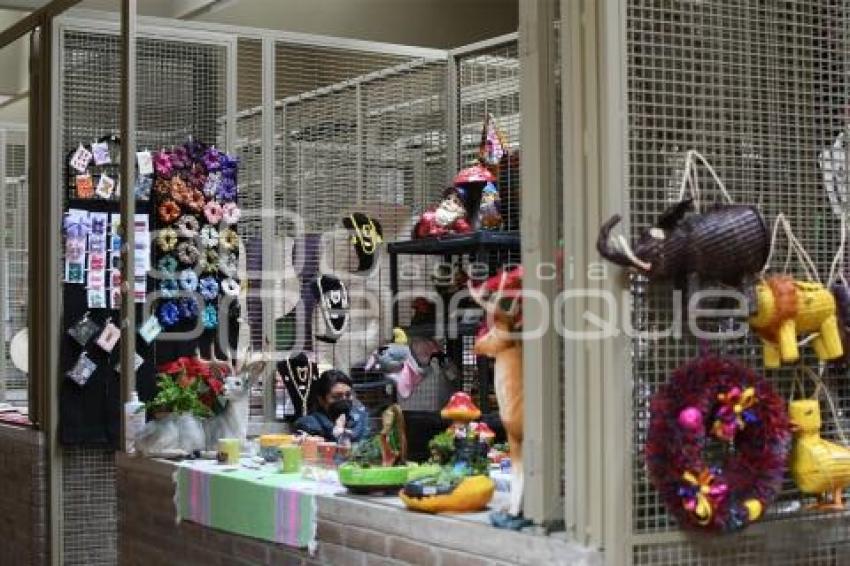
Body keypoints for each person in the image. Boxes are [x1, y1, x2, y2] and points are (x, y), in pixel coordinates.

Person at [294, 369, 369, 443]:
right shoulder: (308, 425)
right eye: (337, 397)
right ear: (321, 400)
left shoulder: (361, 420)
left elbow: (368, 448)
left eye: (348, 395)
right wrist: (337, 434)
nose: (344, 400)